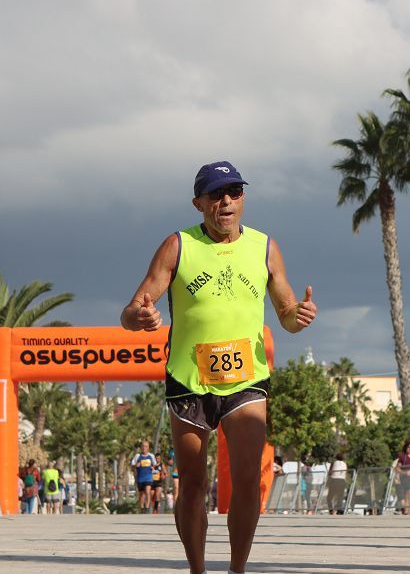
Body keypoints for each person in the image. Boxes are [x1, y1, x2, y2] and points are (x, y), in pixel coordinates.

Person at [121, 160, 317, 574]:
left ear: (243, 199)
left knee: (247, 480)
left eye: (234, 192)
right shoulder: (178, 246)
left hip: (246, 380)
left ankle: (237, 569)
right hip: (188, 380)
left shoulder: (265, 247)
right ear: (199, 203)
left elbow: (283, 309)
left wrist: (296, 315)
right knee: (192, 484)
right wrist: (139, 317)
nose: (226, 201)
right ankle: (197, 569)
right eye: (215, 194)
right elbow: (134, 308)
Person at [131, 440, 156, 512]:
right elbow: (132, 466)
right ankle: (142, 508)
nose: (144, 448)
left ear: (148, 448)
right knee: (141, 494)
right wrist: (136, 465)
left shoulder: (151, 456)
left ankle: (147, 507)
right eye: (143, 446)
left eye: (146, 446)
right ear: (141, 447)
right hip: (140, 478)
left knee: (148, 491)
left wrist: (153, 467)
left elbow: (154, 464)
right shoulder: (137, 456)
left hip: (148, 477)